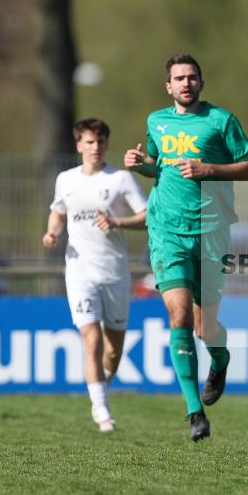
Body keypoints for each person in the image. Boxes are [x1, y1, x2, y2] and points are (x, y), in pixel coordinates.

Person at [124, 54, 248, 441]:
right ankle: (194, 412)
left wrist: (210, 169)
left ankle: (220, 361)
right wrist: (140, 164)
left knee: (206, 327)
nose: (186, 83)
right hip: (166, 231)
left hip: (212, 231)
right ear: (169, 86)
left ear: (201, 83)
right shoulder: (156, 121)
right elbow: (159, 165)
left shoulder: (221, 121)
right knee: (179, 315)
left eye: (192, 77)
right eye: (179, 78)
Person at [43, 118, 148, 432]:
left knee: (113, 350)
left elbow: (146, 216)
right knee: (90, 339)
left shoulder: (121, 179)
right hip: (79, 271)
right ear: (79, 145)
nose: (95, 147)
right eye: (89, 142)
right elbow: (58, 211)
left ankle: (102, 385)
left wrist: (118, 223)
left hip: (115, 272)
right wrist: (51, 233)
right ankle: (101, 411)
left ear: (106, 144)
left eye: (100, 142)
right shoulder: (66, 180)